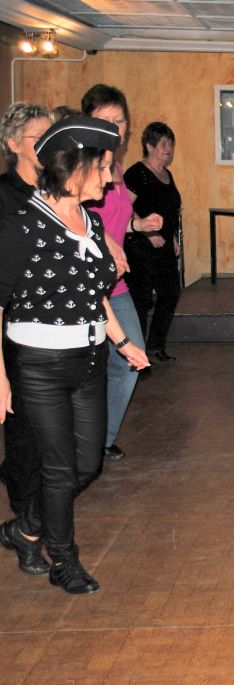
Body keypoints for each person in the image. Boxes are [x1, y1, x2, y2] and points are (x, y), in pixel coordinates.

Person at [0, 117, 149, 593]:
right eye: (102, 168)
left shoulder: (91, 221)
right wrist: (0, 377)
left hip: (89, 359)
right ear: (75, 167)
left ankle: (24, 529)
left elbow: (93, 293)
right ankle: (63, 559)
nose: (109, 178)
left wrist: (122, 342)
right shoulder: (24, 222)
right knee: (60, 469)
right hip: (38, 364)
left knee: (88, 463)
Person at [82, 84, 162, 463]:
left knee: (132, 359)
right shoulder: (78, 165)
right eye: (106, 119)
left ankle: (102, 438)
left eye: (120, 119)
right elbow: (73, 217)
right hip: (83, 286)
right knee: (85, 371)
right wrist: (106, 241)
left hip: (114, 284)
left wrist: (138, 225)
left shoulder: (113, 168)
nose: (115, 125)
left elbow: (116, 219)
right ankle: (80, 441)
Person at [0, 103, 52, 520]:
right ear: (14, 143)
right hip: (14, 326)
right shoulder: (3, 196)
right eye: (38, 137)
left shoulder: (59, 190)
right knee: (23, 429)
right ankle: (24, 518)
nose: (48, 145)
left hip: (55, 324)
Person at [123, 122, 182, 363]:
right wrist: (148, 233)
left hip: (164, 246)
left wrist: (173, 237)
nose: (168, 149)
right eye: (163, 144)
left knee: (171, 293)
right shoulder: (136, 173)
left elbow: (171, 210)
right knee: (142, 300)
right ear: (149, 146)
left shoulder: (167, 174)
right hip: (140, 247)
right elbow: (124, 207)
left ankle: (156, 346)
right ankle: (137, 351)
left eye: (171, 144)